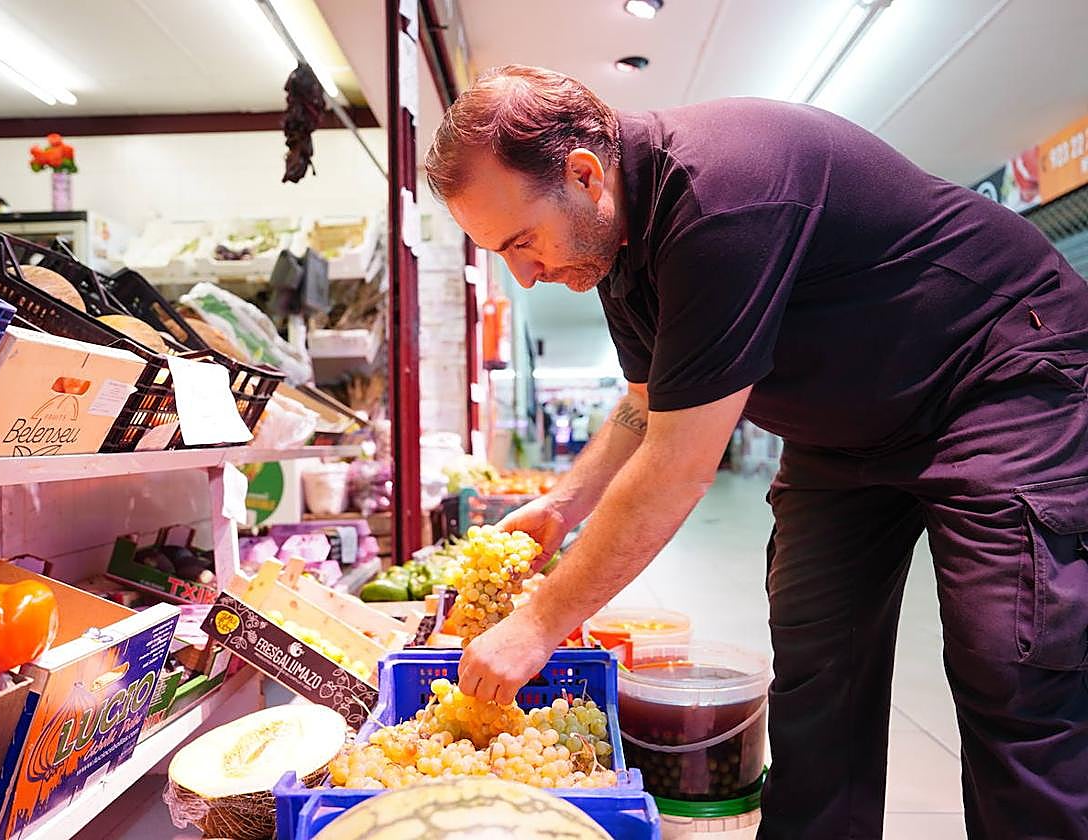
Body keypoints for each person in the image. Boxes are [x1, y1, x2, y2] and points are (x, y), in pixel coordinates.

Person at [424, 65, 1088, 840]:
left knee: (1009, 675)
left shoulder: (722, 198)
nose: (525, 273)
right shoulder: (612, 246)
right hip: (844, 431)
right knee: (817, 667)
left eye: (521, 240)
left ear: (583, 174)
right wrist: (564, 505)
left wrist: (537, 622)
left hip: (996, 381)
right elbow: (643, 409)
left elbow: (676, 467)